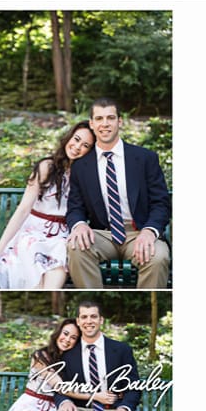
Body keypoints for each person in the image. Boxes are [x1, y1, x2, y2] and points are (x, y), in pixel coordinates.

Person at [66, 98, 171, 288]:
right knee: (76, 247)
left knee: (158, 257)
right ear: (92, 123)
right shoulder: (81, 166)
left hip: (138, 231)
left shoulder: (145, 158)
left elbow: (161, 203)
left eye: (110, 118)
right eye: (99, 118)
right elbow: (75, 207)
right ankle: (93, 299)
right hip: (102, 234)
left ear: (119, 122)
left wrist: (149, 231)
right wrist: (79, 225)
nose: (104, 123)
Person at [0, 121, 96, 288]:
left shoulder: (84, 176)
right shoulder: (47, 167)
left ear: (90, 151)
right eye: (76, 139)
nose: (77, 146)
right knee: (33, 275)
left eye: (85, 145)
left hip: (61, 237)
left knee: (52, 282)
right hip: (33, 233)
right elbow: (23, 210)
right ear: (68, 138)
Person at [6, 318, 117, 411]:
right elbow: (60, 386)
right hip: (33, 406)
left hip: (56, 407)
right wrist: (95, 396)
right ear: (58, 333)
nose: (67, 339)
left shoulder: (71, 360)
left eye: (73, 337)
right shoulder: (41, 356)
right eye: (65, 333)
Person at [54, 301, 140, 411]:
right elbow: (59, 387)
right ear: (78, 322)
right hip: (79, 410)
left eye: (93, 316)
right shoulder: (68, 353)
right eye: (84, 317)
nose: (89, 321)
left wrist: (124, 408)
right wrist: (65, 401)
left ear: (101, 320)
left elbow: (133, 387)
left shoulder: (121, 350)